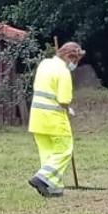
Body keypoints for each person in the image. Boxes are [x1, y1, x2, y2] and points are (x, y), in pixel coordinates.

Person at [27, 42, 86, 197]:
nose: (75, 64)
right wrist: (69, 109)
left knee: (47, 153)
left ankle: (54, 188)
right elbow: (64, 99)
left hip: (37, 118)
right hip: (54, 119)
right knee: (64, 150)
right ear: (68, 56)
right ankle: (42, 178)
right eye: (75, 60)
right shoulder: (63, 72)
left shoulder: (44, 64)